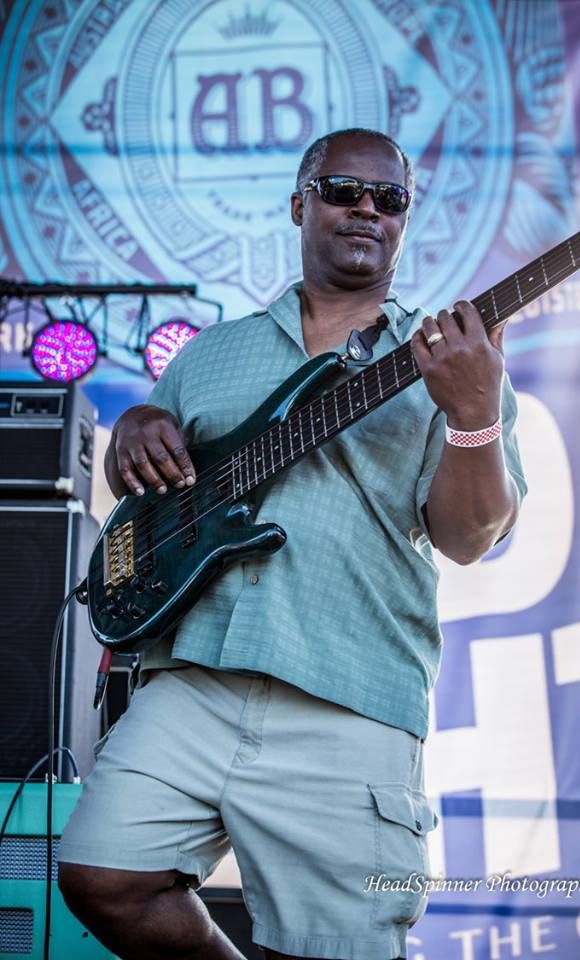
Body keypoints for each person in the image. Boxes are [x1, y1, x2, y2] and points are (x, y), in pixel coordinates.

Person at [58, 127, 526, 960]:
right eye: (345, 190)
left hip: (349, 693)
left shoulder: (455, 363)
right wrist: (135, 427)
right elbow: (146, 488)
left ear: (405, 219)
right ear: (299, 204)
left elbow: (468, 537)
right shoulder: (211, 353)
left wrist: (474, 415)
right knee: (101, 877)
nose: (368, 209)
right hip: (193, 679)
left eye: (390, 199)